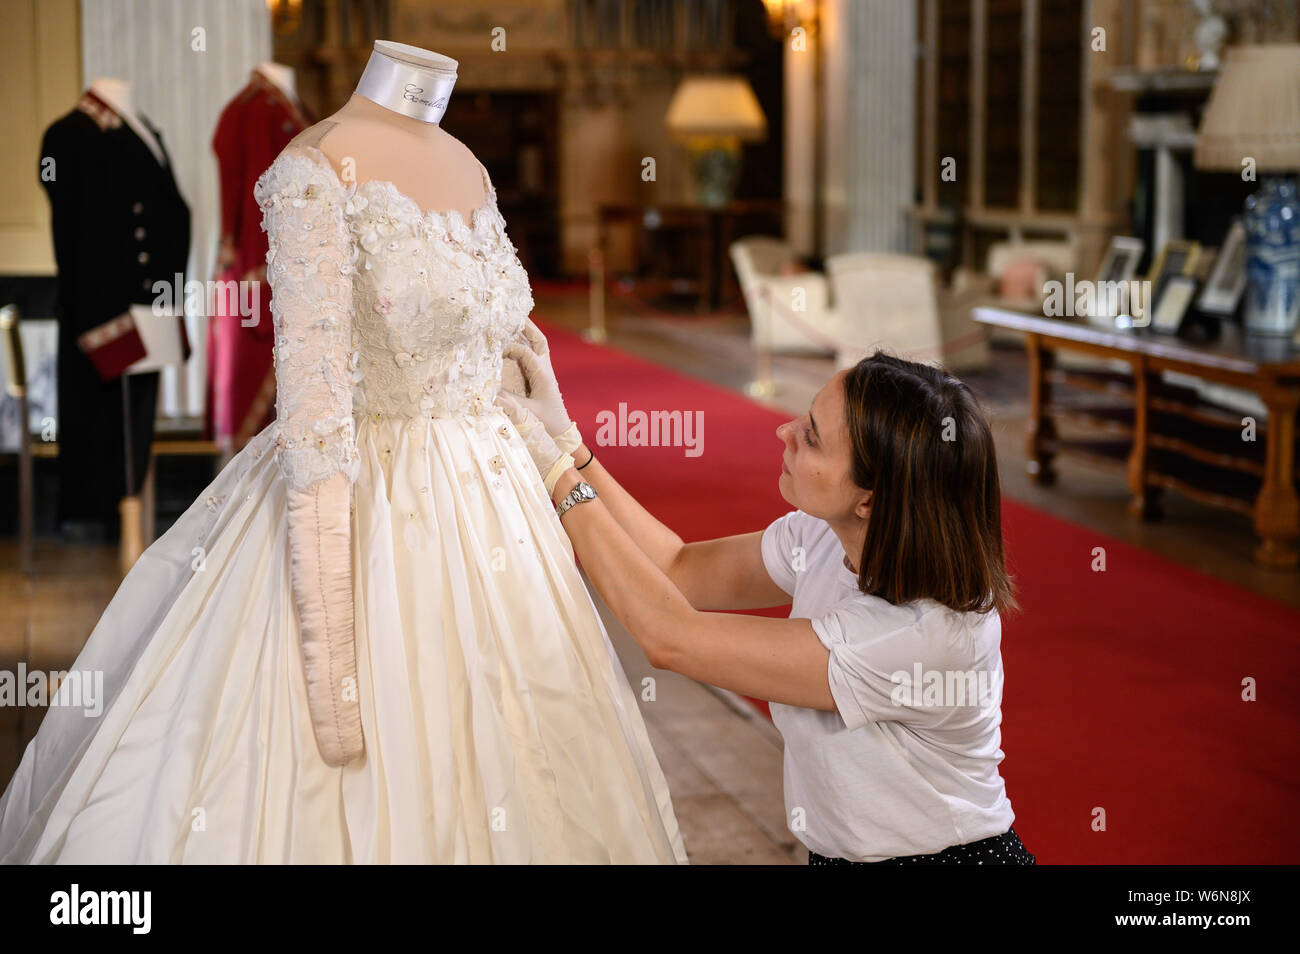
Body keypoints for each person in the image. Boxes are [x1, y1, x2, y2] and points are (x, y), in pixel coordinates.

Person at [0, 123, 687, 863]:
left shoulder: (470, 167)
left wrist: (558, 442)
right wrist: (332, 668)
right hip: (357, 497)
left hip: (497, 511)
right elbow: (317, 412)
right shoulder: (313, 170)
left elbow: (497, 349)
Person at [496, 330, 1035, 865]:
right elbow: (680, 569)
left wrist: (560, 481)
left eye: (813, 438)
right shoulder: (824, 536)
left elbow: (672, 638)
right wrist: (569, 443)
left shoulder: (915, 636)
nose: (785, 431)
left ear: (870, 499)